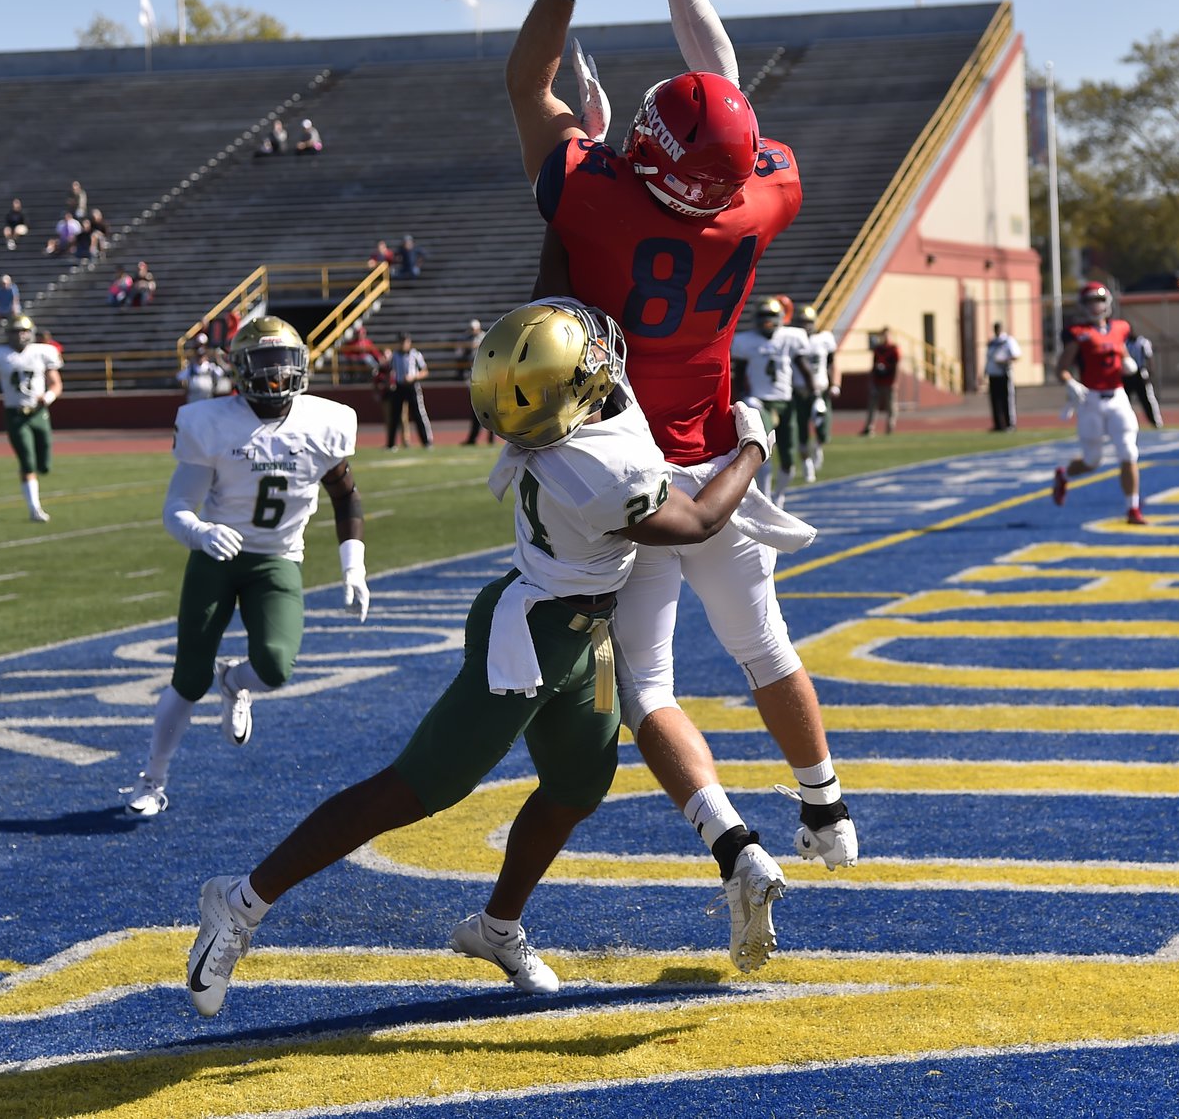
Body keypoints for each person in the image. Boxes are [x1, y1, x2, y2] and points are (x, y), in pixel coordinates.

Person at [184, 299, 772, 1012]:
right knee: (415, 787)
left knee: (578, 787)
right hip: (531, 635)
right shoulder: (598, 464)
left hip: (586, 633)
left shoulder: (567, 420)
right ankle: (240, 903)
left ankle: (497, 925)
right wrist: (753, 445)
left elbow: (594, 380)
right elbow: (705, 518)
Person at [505, 0, 855, 973]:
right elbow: (725, 85)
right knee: (762, 644)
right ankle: (824, 804)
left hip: (629, 473)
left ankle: (733, 843)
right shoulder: (755, 205)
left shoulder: (599, 196)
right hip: (720, 456)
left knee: (647, 687)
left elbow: (528, 82)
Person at [125, 318, 369, 819]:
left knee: (275, 667)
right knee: (188, 679)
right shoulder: (210, 422)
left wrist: (354, 566)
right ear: (239, 368)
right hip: (216, 557)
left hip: (278, 558)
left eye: (286, 362)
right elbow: (176, 507)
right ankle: (153, 780)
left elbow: (346, 496)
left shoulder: (326, 422)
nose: (277, 376)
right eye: (265, 364)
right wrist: (200, 532)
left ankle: (235, 684)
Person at [1052, 281, 1146, 525]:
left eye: (1099, 300)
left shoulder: (1120, 328)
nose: (1096, 306)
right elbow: (1061, 369)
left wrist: (1128, 363)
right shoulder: (1078, 333)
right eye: (1091, 301)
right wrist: (1070, 382)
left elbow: (1121, 351)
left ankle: (1132, 509)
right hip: (1090, 399)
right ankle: (1064, 475)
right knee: (1092, 461)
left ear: (1108, 303)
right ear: (1084, 306)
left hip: (1117, 397)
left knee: (1128, 451)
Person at [0, 315, 62, 522]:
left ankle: (36, 488)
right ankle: (34, 509)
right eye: (16, 331)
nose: (20, 335)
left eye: (23, 331)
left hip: (39, 413)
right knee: (27, 461)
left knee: (44, 465)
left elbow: (55, 383)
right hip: (15, 413)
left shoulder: (43, 352)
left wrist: (49, 397)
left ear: (31, 332)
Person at [729, 297, 811, 502]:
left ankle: (779, 495)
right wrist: (741, 399)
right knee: (763, 449)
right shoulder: (745, 341)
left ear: (781, 317)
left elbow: (802, 366)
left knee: (788, 457)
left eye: (772, 316)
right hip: (759, 401)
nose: (767, 321)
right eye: (764, 316)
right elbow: (737, 375)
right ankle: (765, 498)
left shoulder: (792, 337)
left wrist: (813, 391)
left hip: (785, 401)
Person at [791, 305, 838, 480]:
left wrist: (835, 384)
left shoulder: (824, 339)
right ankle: (806, 464)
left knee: (823, 429)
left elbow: (831, 363)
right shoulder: (792, 339)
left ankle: (818, 446)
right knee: (801, 431)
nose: (805, 325)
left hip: (821, 391)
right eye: (802, 322)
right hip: (799, 392)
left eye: (807, 322)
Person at [384, 334, 432, 449]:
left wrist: (413, 377)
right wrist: (389, 383)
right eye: (401, 342)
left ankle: (426, 442)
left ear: (409, 342)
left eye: (404, 342)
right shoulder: (394, 355)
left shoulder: (415, 354)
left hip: (412, 387)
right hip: (399, 387)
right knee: (395, 416)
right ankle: (391, 444)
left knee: (418, 414)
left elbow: (425, 371)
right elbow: (389, 371)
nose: (403, 344)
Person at [455, 319, 495, 445]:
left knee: (489, 407)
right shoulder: (465, 339)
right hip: (472, 376)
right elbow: (458, 353)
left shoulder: (484, 337)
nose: (472, 332)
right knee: (477, 407)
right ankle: (474, 437)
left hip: (485, 375)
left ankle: (491, 437)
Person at [985, 321, 1021, 431]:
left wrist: (1004, 361)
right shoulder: (992, 343)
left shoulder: (1008, 341)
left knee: (1007, 399)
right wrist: (985, 371)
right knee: (995, 400)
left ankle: (1010, 424)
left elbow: (1016, 356)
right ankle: (998, 425)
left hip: (1004, 373)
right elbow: (988, 359)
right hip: (993, 374)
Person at [863, 328, 900, 435]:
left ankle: (890, 427)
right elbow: (873, 365)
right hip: (878, 381)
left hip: (889, 381)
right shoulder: (878, 349)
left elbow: (897, 365)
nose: (885, 338)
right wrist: (872, 381)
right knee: (873, 405)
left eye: (887, 335)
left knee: (891, 406)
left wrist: (895, 381)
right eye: (883, 335)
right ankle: (869, 427)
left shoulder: (894, 349)